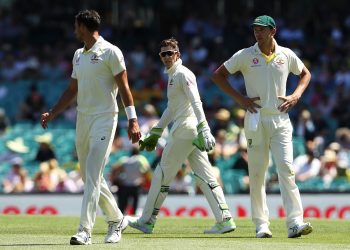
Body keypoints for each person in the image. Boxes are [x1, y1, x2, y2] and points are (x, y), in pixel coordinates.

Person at [40, 10, 141, 245]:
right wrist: (54, 112)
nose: (75, 30)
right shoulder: (78, 55)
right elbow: (72, 89)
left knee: (94, 174)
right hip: (82, 119)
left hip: (105, 118)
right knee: (89, 177)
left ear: (84, 27)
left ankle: (85, 230)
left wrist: (133, 120)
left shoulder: (111, 52)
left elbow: (125, 88)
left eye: (76, 26)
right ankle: (117, 219)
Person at [211, 15, 313, 238]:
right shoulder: (245, 55)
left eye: (262, 29)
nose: (258, 33)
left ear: (273, 31)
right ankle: (261, 225)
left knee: (286, 169)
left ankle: (295, 222)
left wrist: (295, 96)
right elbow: (218, 76)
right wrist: (240, 99)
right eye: (255, 29)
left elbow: (305, 74)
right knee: (257, 173)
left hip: (280, 120)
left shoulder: (286, 54)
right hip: (255, 118)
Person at [127, 38, 236, 234]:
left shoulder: (183, 74)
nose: (167, 57)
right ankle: (225, 219)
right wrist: (157, 130)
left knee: (162, 174)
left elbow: (196, 101)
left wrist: (205, 128)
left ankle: (147, 220)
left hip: (186, 128)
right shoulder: (172, 75)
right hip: (189, 130)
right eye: (163, 54)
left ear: (178, 54)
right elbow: (172, 107)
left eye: (170, 53)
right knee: (205, 176)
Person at [109, 146, 151, 215]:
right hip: (136, 185)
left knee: (122, 207)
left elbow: (114, 169)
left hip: (124, 185)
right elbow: (146, 171)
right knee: (135, 207)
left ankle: (120, 220)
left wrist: (113, 181)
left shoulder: (124, 160)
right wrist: (144, 181)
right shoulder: (141, 159)